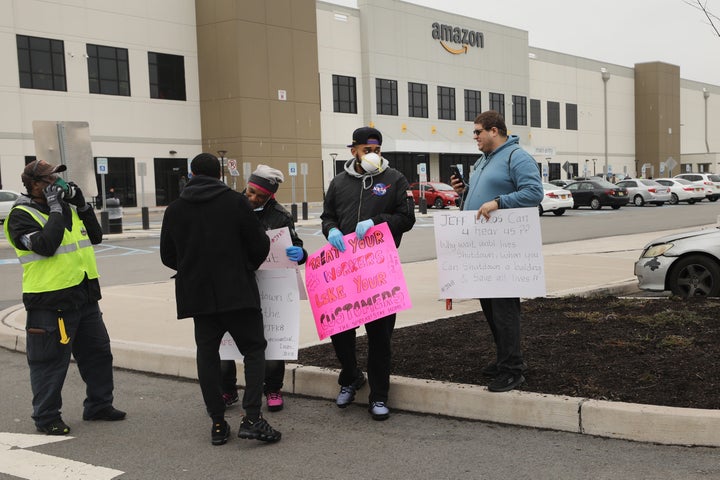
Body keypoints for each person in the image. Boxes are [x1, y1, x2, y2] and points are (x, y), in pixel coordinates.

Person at [160, 153, 281, 446]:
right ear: (219, 175)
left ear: (191, 174)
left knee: (207, 354)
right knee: (254, 350)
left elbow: (168, 256)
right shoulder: (236, 203)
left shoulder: (174, 210)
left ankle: (217, 422)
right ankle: (252, 417)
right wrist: (246, 267)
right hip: (237, 291)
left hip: (198, 296)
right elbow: (258, 244)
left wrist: (193, 269)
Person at [3, 159, 126, 435]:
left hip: (84, 296)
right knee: (49, 362)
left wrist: (82, 205)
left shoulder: (67, 209)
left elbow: (95, 237)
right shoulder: (21, 215)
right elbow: (46, 246)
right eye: (49, 180)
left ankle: (99, 405)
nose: (56, 184)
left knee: (98, 354)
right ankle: (46, 417)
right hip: (50, 302)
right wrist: (57, 208)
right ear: (35, 185)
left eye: (58, 178)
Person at [321, 126, 415, 420]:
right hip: (344, 271)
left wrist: (376, 221)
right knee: (340, 330)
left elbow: (407, 218)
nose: (372, 155)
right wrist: (331, 230)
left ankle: (379, 396)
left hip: (379, 270)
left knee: (379, 336)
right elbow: (328, 217)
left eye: (376, 150)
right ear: (354, 151)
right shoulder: (338, 183)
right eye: (366, 150)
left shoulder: (394, 179)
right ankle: (350, 377)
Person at [450, 110, 544, 393]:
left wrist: (499, 202)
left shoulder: (517, 157)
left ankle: (513, 369)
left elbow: (534, 193)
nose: (475, 137)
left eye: (478, 131)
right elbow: (480, 199)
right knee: (490, 308)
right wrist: (463, 192)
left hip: (504, 250)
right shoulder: (482, 161)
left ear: (494, 130)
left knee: (504, 310)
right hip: (483, 248)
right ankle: (505, 358)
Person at [220, 164, 308, 412]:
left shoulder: (280, 215)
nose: (253, 198)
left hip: (270, 285)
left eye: (260, 196)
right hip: (235, 281)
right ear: (245, 186)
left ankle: (272, 388)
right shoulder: (231, 206)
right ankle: (227, 389)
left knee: (273, 339)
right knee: (226, 340)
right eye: (250, 192)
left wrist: (300, 253)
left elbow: (296, 244)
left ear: (271, 196)